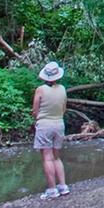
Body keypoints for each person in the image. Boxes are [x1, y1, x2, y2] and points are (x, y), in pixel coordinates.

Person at [33, 61, 70, 199]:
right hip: (59, 123)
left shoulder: (40, 90)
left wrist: (37, 118)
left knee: (47, 158)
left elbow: (35, 110)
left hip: (44, 125)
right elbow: (64, 109)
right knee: (56, 157)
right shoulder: (62, 89)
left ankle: (52, 190)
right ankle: (63, 186)